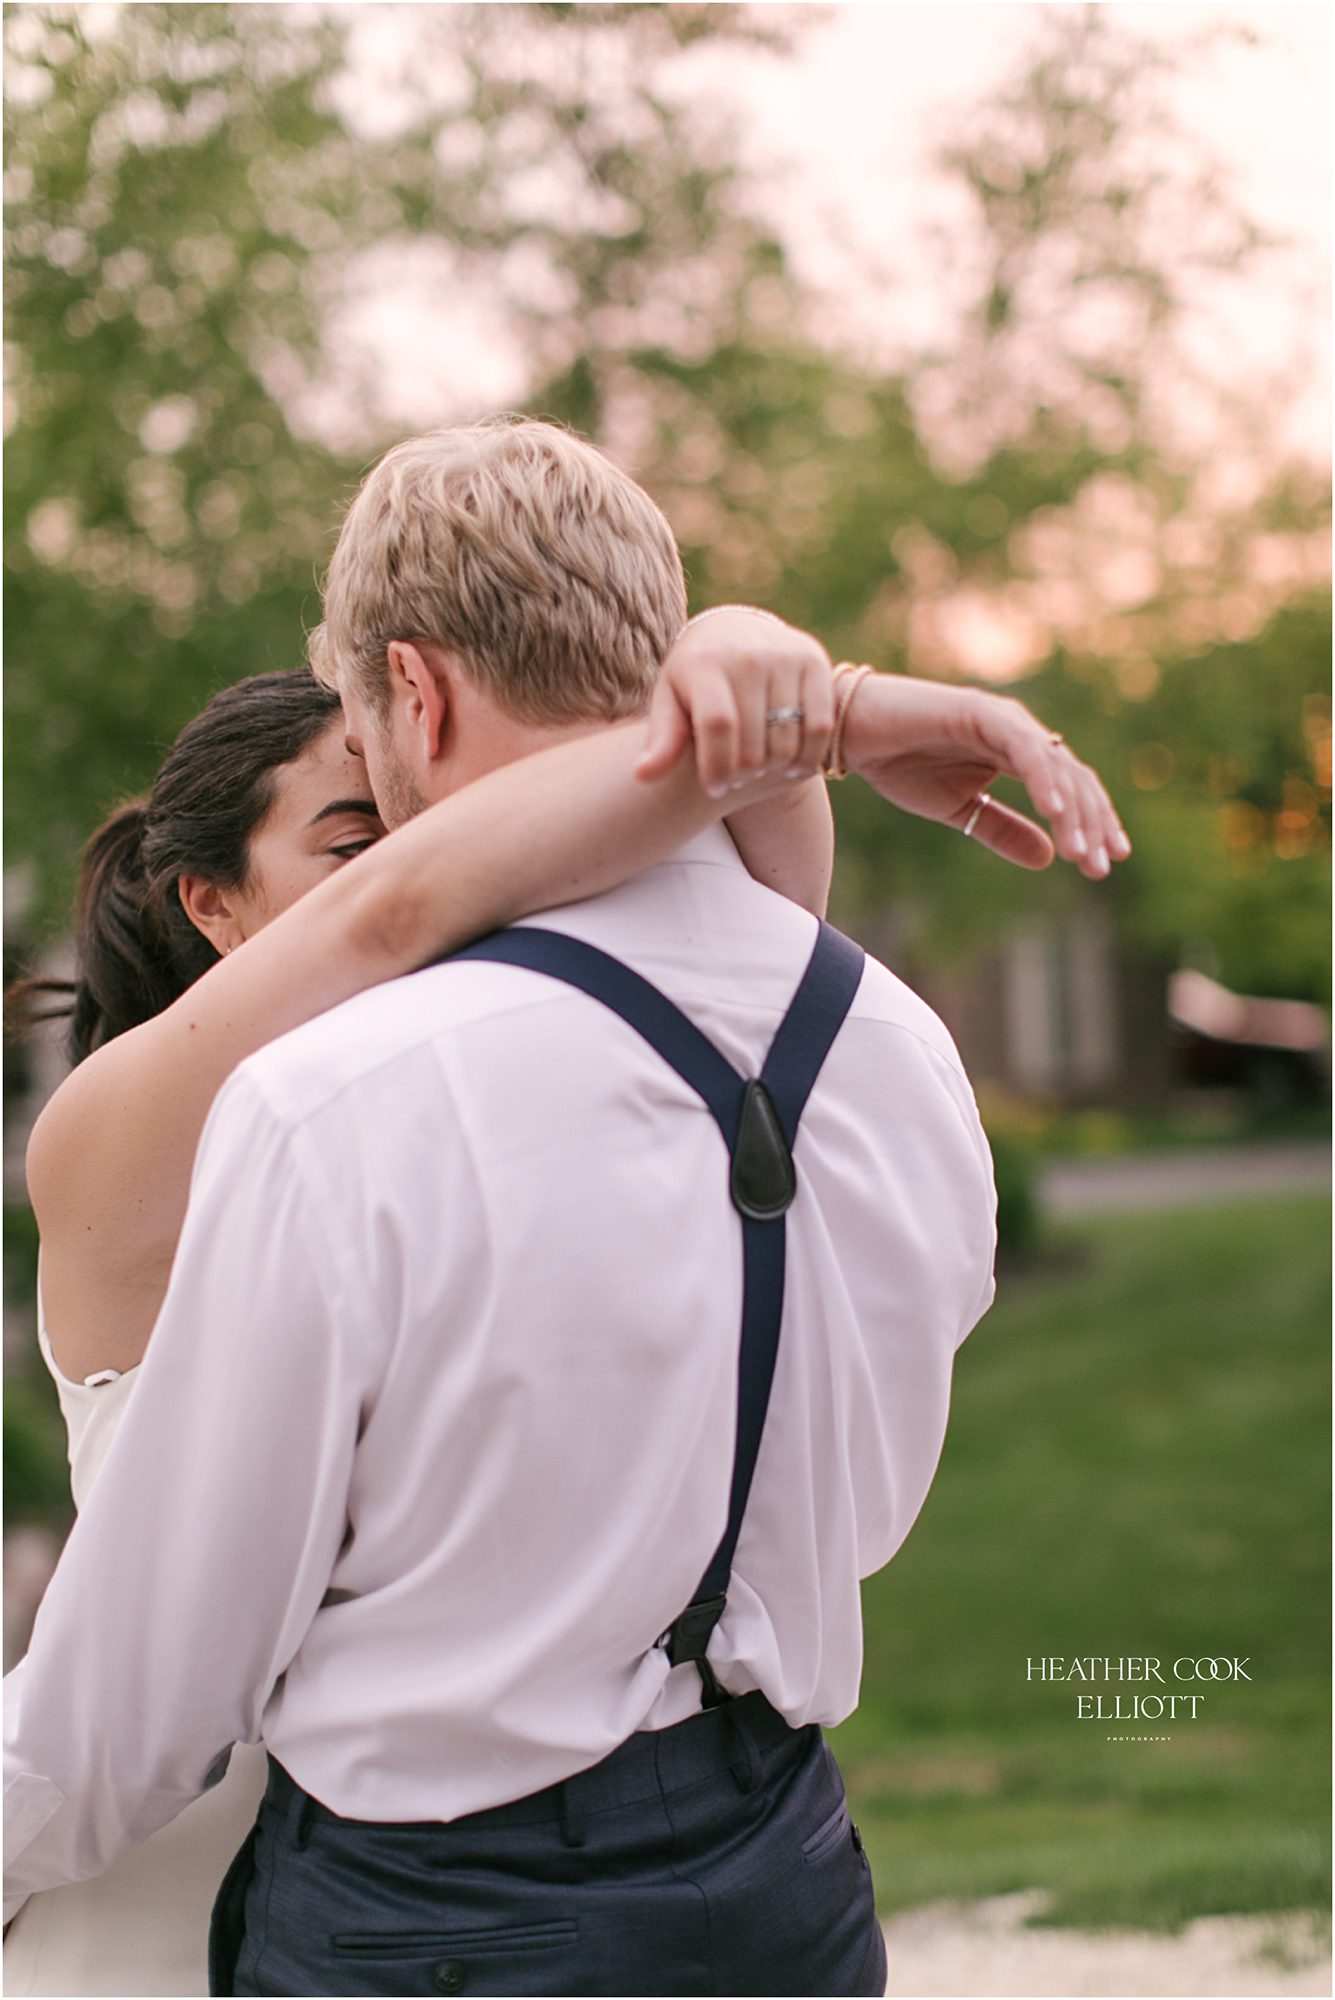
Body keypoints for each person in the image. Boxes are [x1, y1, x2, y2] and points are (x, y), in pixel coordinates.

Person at [4, 418, 1129, 1996]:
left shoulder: (341, 1102)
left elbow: (144, 1695)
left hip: (430, 1916)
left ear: (416, 690)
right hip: (785, 1882)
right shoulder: (896, 1054)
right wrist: (797, 695)